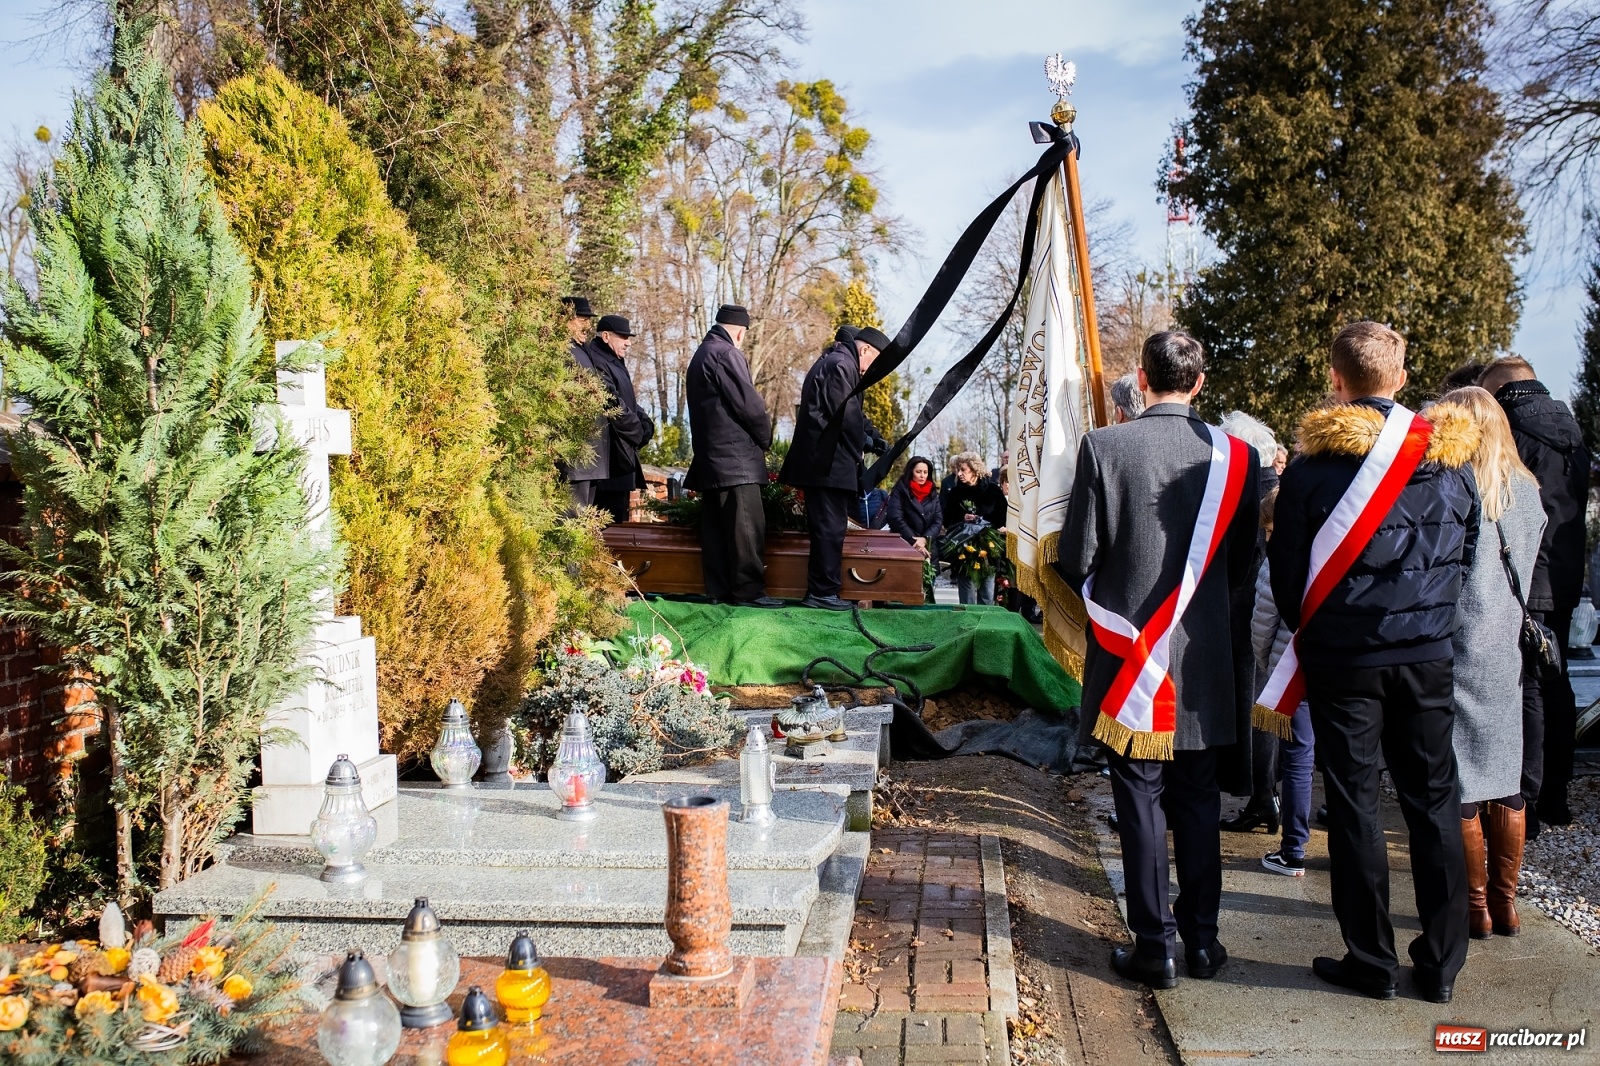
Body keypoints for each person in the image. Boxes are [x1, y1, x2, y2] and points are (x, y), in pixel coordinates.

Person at [1270, 321, 1479, 1003]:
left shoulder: (1310, 471)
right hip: (1426, 653)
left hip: (1345, 657)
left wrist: (1317, 627)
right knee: (1434, 800)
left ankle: (1372, 961)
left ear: (1336, 382)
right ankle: (1443, 965)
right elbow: (1466, 557)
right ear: (1403, 375)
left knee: (1356, 804)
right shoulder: (1453, 462)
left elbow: (1288, 573)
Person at [1057, 330, 1261, 990]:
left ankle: (1155, 947)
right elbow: (1242, 570)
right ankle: (1201, 942)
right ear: (1199, 384)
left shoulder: (1105, 446)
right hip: (1200, 663)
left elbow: (1075, 558)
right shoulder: (1239, 457)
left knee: (1140, 802)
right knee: (1199, 804)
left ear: (1142, 380)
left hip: (1130, 660)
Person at [1439, 385, 1544, 939]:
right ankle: (1506, 904)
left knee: (1460, 780)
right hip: (1506, 644)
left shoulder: (1459, 488)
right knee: (1506, 777)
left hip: (1460, 641)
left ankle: (1476, 907)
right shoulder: (1527, 490)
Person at [1478, 355, 1590, 833]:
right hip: (1563, 575)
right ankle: (1558, 795)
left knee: (1528, 688)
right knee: (1556, 680)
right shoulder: (1573, 433)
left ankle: (1527, 799)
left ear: (1503, 393)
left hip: (1524, 571)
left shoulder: (1514, 434)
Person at [780, 325, 890, 610]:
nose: (872, 370)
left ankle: (824, 590)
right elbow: (845, 415)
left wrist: (873, 436)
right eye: (875, 361)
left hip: (827, 463)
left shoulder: (839, 363)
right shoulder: (841, 364)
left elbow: (853, 411)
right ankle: (821, 593)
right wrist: (864, 443)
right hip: (827, 464)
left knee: (830, 527)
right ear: (865, 349)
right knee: (830, 529)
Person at [685, 304, 784, 608]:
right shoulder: (727, 354)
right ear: (740, 332)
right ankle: (749, 592)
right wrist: (766, 438)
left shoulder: (701, 354)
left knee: (716, 529)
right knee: (746, 529)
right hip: (736, 460)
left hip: (711, 461)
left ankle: (719, 591)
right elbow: (749, 405)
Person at [1217, 411, 1282, 834]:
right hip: (1270, 614)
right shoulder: (1275, 489)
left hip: (1247, 612)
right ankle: (1266, 795)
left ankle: (1260, 796)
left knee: (1253, 704)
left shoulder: (1243, 492)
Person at [1250, 488, 1317, 876]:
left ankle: (1293, 848)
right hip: (1334, 670)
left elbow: (1262, 625)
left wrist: (1267, 665)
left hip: (1291, 670)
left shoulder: (1277, 562)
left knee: (1297, 761)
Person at [586, 314, 655, 525]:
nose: (629, 342)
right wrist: (639, 431)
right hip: (610, 463)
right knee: (608, 528)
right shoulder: (597, 360)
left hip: (619, 463)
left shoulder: (613, 360)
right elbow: (611, 402)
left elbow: (627, 400)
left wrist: (646, 421)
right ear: (606, 336)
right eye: (623, 336)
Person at [557, 295, 609, 510]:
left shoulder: (582, 350)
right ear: (564, 319)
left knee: (583, 522)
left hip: (590, 454)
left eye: (589, 320)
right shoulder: (561, 350)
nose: (587, 325)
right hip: (574, 455)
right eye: (581, 319)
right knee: (571, 520)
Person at [942, 452, 1007, 605]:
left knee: (987, 592)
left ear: (975, 470)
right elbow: (946, 519)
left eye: (963, 470)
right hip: (963, 549)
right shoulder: (955, 493)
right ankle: (968, 625)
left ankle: (986, 625)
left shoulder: (993, 491)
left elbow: (1002, 518)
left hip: (988, 549)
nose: (959, 473)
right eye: (958, 469)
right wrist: (961, 518)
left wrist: (982, 520)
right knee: (967, 594)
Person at [886, 455, 942, 600]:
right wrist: (914, 541)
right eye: (918, 472)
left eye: (925, 472)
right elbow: (895, 517)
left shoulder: (933, 493)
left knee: (927, 597)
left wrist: (925, 539)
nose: (922, 475)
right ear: (911, 471)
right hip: (905, 546)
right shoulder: (900, 490)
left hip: (929, 549)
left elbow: (938, 520)